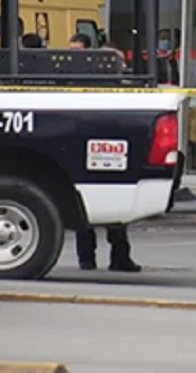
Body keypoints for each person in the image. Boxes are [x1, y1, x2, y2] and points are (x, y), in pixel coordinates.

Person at [68, 34, 140, 271]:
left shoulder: (91, 86)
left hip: (112, 152)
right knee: (89, 210)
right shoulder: (90, 87)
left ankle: (116, 258)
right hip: (97, 150)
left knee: (114, 213)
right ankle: (90, 258)